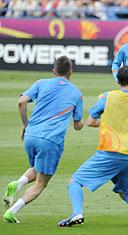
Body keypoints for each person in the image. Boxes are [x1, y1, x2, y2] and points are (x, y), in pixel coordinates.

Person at [57, 66, 128, 227]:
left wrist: (108, 124)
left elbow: (90, 121)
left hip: (109, 152)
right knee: (126, 191)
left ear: (118, 80)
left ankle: (77, 213)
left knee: (75, 182)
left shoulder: (108, 97)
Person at [3, 56, 84, 223]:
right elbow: (77, 125)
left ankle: (16, 184)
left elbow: (22, 101)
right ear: (71, 71)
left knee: (36, 167)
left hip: (30, 136)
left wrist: (25, 125)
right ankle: (11, 211)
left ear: (54, 71)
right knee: (41, 183)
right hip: (50, 140)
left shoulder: (41, 83)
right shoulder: (76, 93)